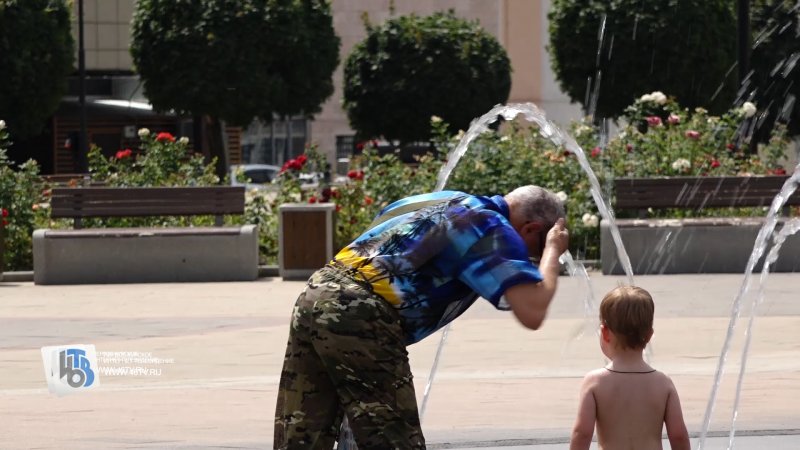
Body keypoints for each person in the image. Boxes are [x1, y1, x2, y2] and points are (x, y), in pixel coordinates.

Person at [274, 185, 569, 449]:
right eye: (533, 252)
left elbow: (383, 221)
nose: (527, 261)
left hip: (317, 292)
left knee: (302, 432)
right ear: (531, 229)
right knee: (396, 439)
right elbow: (533, 310)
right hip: (360, 312)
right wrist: (553, 251)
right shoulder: (490, 225)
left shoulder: (444, 199)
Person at [569, 286, 690, 450]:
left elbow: (582, 433)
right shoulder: (663, 383)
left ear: (604, 333)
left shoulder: (595, 382)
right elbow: (678, 435)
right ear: (649, 335)